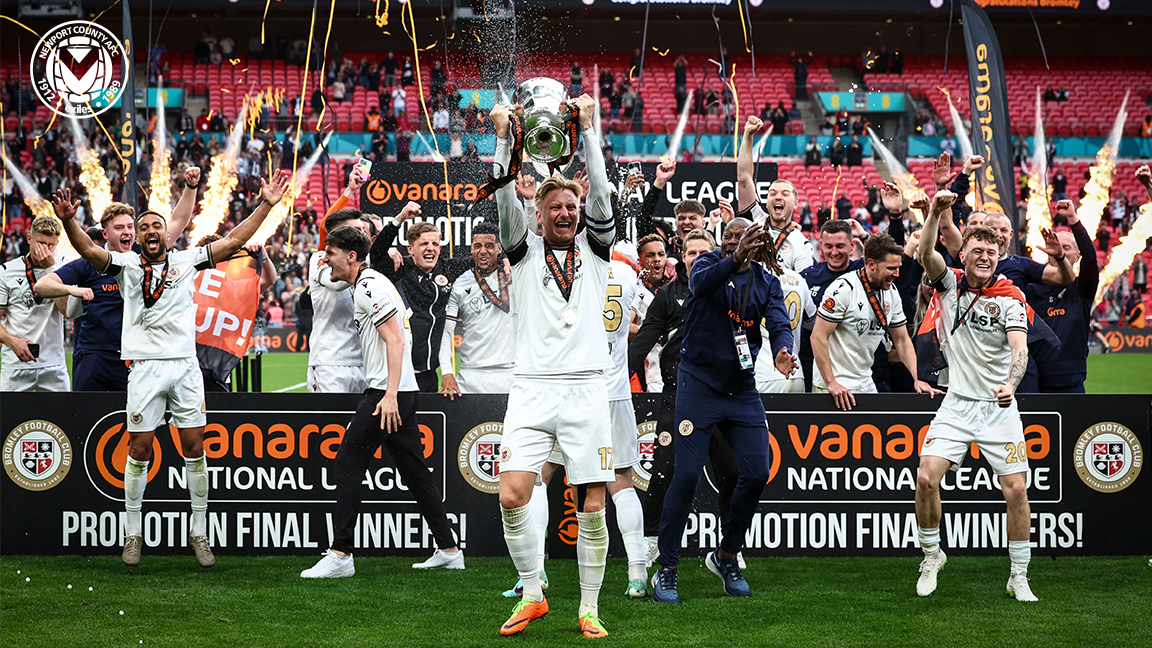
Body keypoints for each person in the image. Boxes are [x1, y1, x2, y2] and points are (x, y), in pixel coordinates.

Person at [52, 169, 293, 570]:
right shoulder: (126, 266)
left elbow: (233, 239)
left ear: (167, 234)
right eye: (142, 225)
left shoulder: (186, 260)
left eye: (155, 225)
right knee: (140, 449)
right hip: (145, 368)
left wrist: (266, 204)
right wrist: (68, 221)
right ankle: (133, 534)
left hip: (185, 368)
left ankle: (199, 532)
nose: (149, 229)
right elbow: (91, 253)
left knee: (194, 448)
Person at [490, 95, 612, 638]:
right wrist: (503, 138)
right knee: (512, 491)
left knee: (590, 501)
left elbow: (604, 195)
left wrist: (587, 130)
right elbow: (500, 199)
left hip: (588, 390)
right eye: (554, 208)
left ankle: (588, 607)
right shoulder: (522, 250)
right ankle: (534, 593)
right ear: (538, 215)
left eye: (571, 206)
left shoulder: (599, 249)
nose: (565, 214)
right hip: (532, 389)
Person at [300, 226, 464, 579]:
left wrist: (388, 395)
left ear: (352, 257)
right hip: (399, 393)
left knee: (346, 463)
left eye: (331, 253)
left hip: (387, 395)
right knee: (416, 474)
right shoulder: (368, 282)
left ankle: (341, 554)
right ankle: (449, 549)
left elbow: (395, 341)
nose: (325, 258)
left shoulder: (369, 287)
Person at [650, 217, 798, 605]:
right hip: (698, 385)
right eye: (729, 237)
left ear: (758, 240)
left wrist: (783, 350)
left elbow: (780, 323)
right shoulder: (704, 266)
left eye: (743, 236)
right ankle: (666, 568)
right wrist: (734, 258)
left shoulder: (767, 282)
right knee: (685, 476)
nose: (735, 242)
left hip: (741, 389)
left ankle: (726, 555)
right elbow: (701, 285)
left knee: (756, 473)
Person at [913, 189, 1038, 602]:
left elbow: (1019, 349)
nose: (984, 256)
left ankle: (1018, 574)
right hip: (957, 404)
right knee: (927, 477)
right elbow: (927, 250)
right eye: (976, 250)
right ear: (962, 254)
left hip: (998, 408)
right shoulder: (947, 284)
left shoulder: (1010, 299)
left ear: (999, 256)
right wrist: (934, 211)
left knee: (1016, 490)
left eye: (991, 251)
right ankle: (932, 556)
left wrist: (1011, 385)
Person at [629, 229, 740, 568]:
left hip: (721, 397)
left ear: (716, 255)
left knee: (731, 472)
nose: (696, 258)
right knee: (664, 471)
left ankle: (729, 548)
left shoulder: (731, 290)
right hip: (678, 396)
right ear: (682, 255)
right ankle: (651, 542)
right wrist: (616, 380)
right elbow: (643, 340)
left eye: (703, 252)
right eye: (690, 253)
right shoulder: (666, 295)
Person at [32, 169, 199, 391]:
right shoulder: (90, 262)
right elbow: (42, 285)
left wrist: (190, 187)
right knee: (88, 419)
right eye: (119, 228)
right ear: (105, 234)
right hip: (94, 355)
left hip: (134, 356)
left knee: (133, 420)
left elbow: (178, 220)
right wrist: (75, 291)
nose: (127, 232)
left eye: (130, 227)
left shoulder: (144, 256)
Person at [810, 232, 940, 408]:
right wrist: (830, 383)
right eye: (891, 268)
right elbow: (817, 336)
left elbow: (901, 339)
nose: (897, 274)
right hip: (834, 386)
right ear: (871, 264)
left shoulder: (891, 291)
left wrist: (917, 378)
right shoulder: (843, 289)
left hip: (865, 382)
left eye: (898, 267)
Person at [369, 203, 477, 392]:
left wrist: (504, 259)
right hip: (400, 372)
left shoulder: (447, 268)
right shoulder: (400, 267)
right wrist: (399, 218)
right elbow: (376, 254)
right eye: (424, 244)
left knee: (426, 421)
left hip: (429, 373)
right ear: (410, 249)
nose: (430, 248)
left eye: (435, 244)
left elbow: (484, 258)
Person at [306, 180, 375, 393]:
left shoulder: (366, 261)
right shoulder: (320, 258)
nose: (362, 234)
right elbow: (335, 284)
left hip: (364, 361)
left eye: (363, 230)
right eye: (356, 230)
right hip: (330, 362)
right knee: (329, 426)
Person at [1026, 200, 1098, 393]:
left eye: (1067, 248)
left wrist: (1073, 219)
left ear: (1077, 256)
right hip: (1033, 381)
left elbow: (1091, 258)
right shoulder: (1030, 288)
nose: (1061, 251)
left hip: (1072, 381)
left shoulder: (1082, 288)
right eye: (1057, 246)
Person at [438, 221, 516, 395]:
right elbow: (447, 333)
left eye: (489, 246)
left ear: (499, 249)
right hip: (470, 375)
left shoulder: (515, 276)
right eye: (477, 246)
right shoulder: (460, 284)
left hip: (511, 373)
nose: (483, 251)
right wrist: (447, 371)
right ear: (471, 249)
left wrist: (528, 203)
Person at [737, 117, 815, 273]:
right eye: (772, 193)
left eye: (785, 194)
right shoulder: (755, 220)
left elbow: (802, 288)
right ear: (766, 202)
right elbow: (744, 178)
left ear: (795, 203)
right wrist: (747, 136)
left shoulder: (801, 244)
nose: (778, 197)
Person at [0, 216, 66, 391]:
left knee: (59, 418)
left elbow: (66, 310)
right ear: (29, 238)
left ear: (57, 243)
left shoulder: (64, 268)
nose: (46, 249)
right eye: (41, 243)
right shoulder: (6, 271)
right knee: (10, 418)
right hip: (15, 364)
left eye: (51, 245)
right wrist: (13, 342)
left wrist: (51, 270)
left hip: (53, 364)